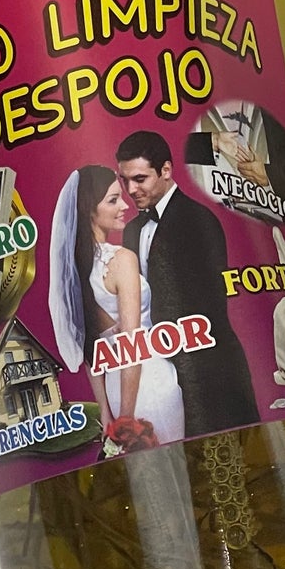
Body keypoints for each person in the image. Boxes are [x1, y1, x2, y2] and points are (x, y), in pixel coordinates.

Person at [116, 129, 259, 436]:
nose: (130, 190)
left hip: (210, 374)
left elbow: (211, 308)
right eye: (124, 180)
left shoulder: (198, 219)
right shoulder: (132, 230)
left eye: (139, 179)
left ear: (166, 170)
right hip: (158, 371)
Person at [47, 163, 184, 446]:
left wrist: (108, 416)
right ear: (89, 210)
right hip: (148, 382)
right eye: (113, 200)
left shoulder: (78, 273)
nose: (124, 205)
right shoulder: (122, 260)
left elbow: (91, 351)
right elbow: (132, 347)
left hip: (114, 388)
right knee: (175, 461)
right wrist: (127, 420)